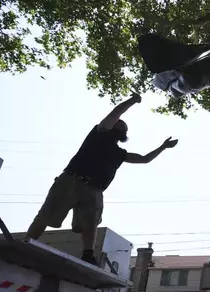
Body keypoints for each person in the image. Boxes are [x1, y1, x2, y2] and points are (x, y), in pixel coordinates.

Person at [25, 93, 178, 265]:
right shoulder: (99, 133)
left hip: (94, 189)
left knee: (90, 223)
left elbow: (144, 159)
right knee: (47, 214)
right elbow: (116, 113)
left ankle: (88, 254)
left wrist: (163, 147)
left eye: (122, 126)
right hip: (71, 181)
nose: (119, 125)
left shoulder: (120, 154)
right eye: (118, 123)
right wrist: (132, 101)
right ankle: (28, 242)